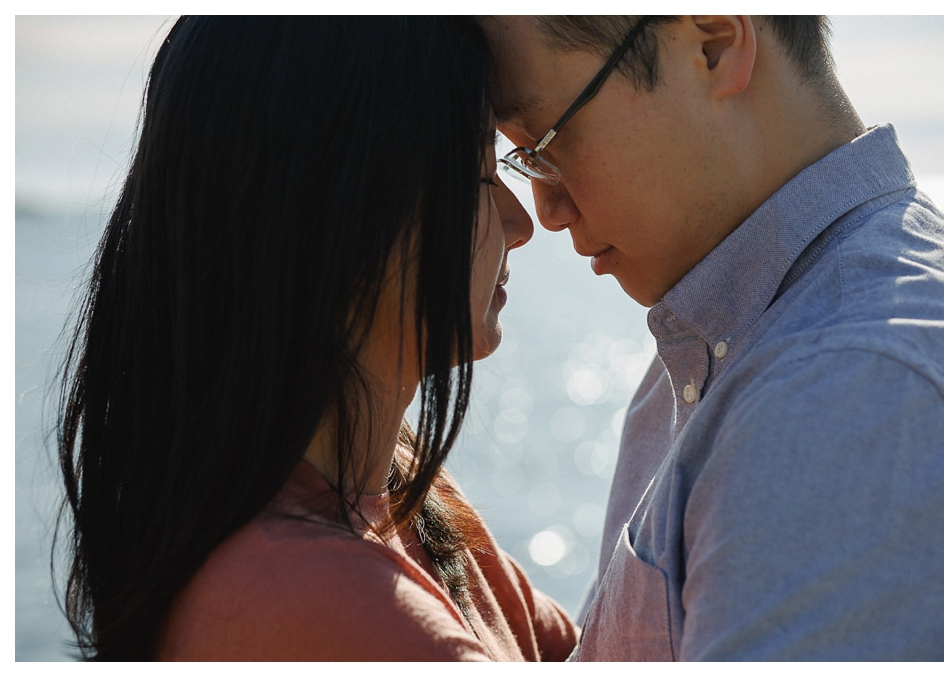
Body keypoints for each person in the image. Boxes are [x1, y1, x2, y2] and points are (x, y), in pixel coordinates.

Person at [55, 16, 579, 661]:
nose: (519, 221)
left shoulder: (400, 486)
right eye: (476, 175)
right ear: (341, 216)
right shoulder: (340, 611)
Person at [482, 15, 944, 660]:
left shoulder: (846, 396)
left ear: (715, 45)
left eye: (546, 143)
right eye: (521, 160)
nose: (545, 212)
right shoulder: (724, 342)